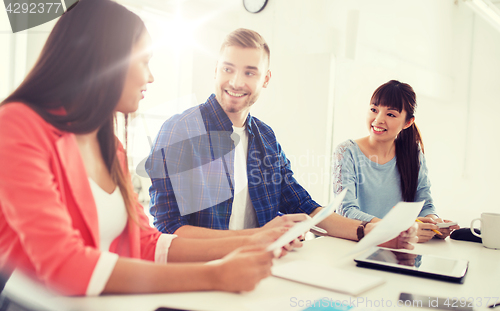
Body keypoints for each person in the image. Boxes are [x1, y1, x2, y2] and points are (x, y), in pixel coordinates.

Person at [0, 0, 288, 297]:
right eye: (144, 61)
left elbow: (145, 242)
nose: (150, 77)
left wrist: (255, 238)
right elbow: (64, 264)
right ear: (106, 59)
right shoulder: (17, 124)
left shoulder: (111, 146)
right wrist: (214, 275)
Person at [147, 29, 417, 248]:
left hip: (258, 271)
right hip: (201, 275)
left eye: (250, 72)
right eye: (228, 69)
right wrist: (259, 237)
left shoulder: (265, 138)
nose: (236, 81)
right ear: (215, 70)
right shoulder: (180, 131)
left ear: (266, 79)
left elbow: (304, 207)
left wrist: (372, 230)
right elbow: (168, 229)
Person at [332, 80, 459, 243]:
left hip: (400, 250)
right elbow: (346, 211)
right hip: (356, 246)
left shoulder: (414, 154)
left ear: (408, 122)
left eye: (390, 114)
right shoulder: (346, 152)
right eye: (374, 110)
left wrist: (434, 223)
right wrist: (401, 229)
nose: (378, 120)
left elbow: (424, 202)